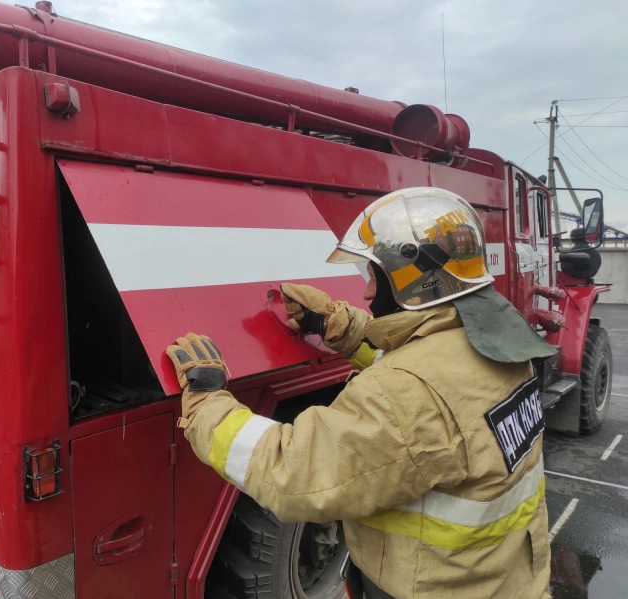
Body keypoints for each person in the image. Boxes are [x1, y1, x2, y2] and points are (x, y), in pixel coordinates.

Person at [166, 187, 554, 598]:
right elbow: (430, 385)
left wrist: (206, 404)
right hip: (507, 579)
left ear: (411, 280)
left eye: (373, 275)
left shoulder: (407, 394)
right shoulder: (501, 345)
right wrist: (341, 326)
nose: (367, 293)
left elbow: (293, 472)